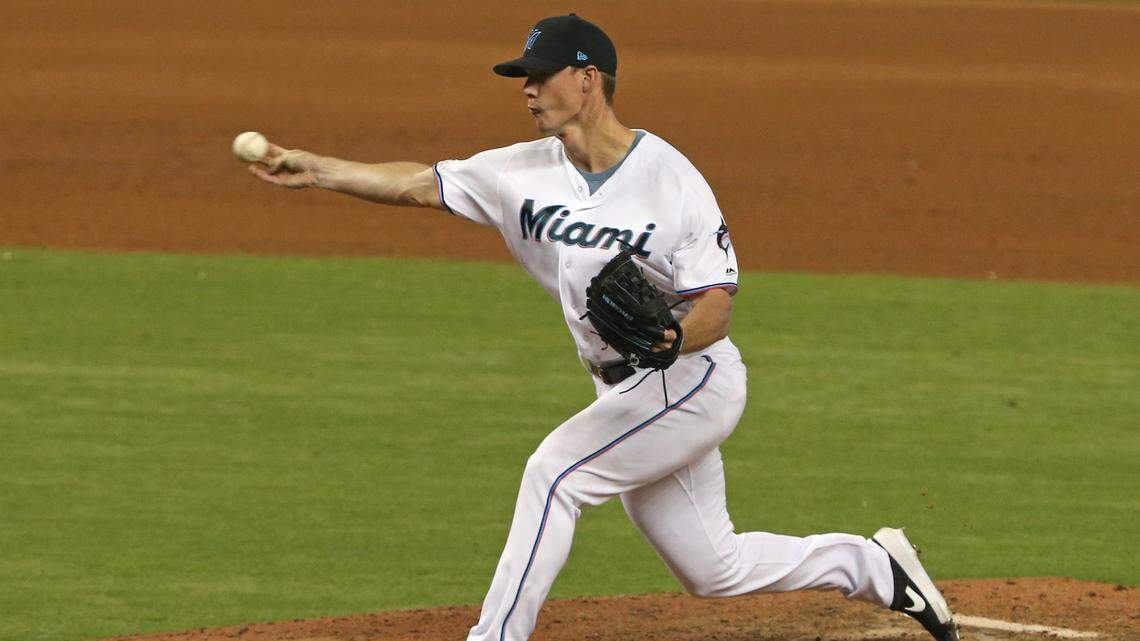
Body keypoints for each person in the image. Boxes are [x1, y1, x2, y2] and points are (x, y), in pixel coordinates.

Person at [246, 13, 959, 641]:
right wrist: (320, 170)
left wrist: (675, 337)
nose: (526, 88)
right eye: (522, 77)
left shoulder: (671, 178)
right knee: (714, 568)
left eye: (540, 75)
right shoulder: (520, 170)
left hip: (690, 379)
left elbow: (717, 301)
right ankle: (874, 564)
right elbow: (420, 182)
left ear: (588, 79)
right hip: (622, 394)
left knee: (554, 473)